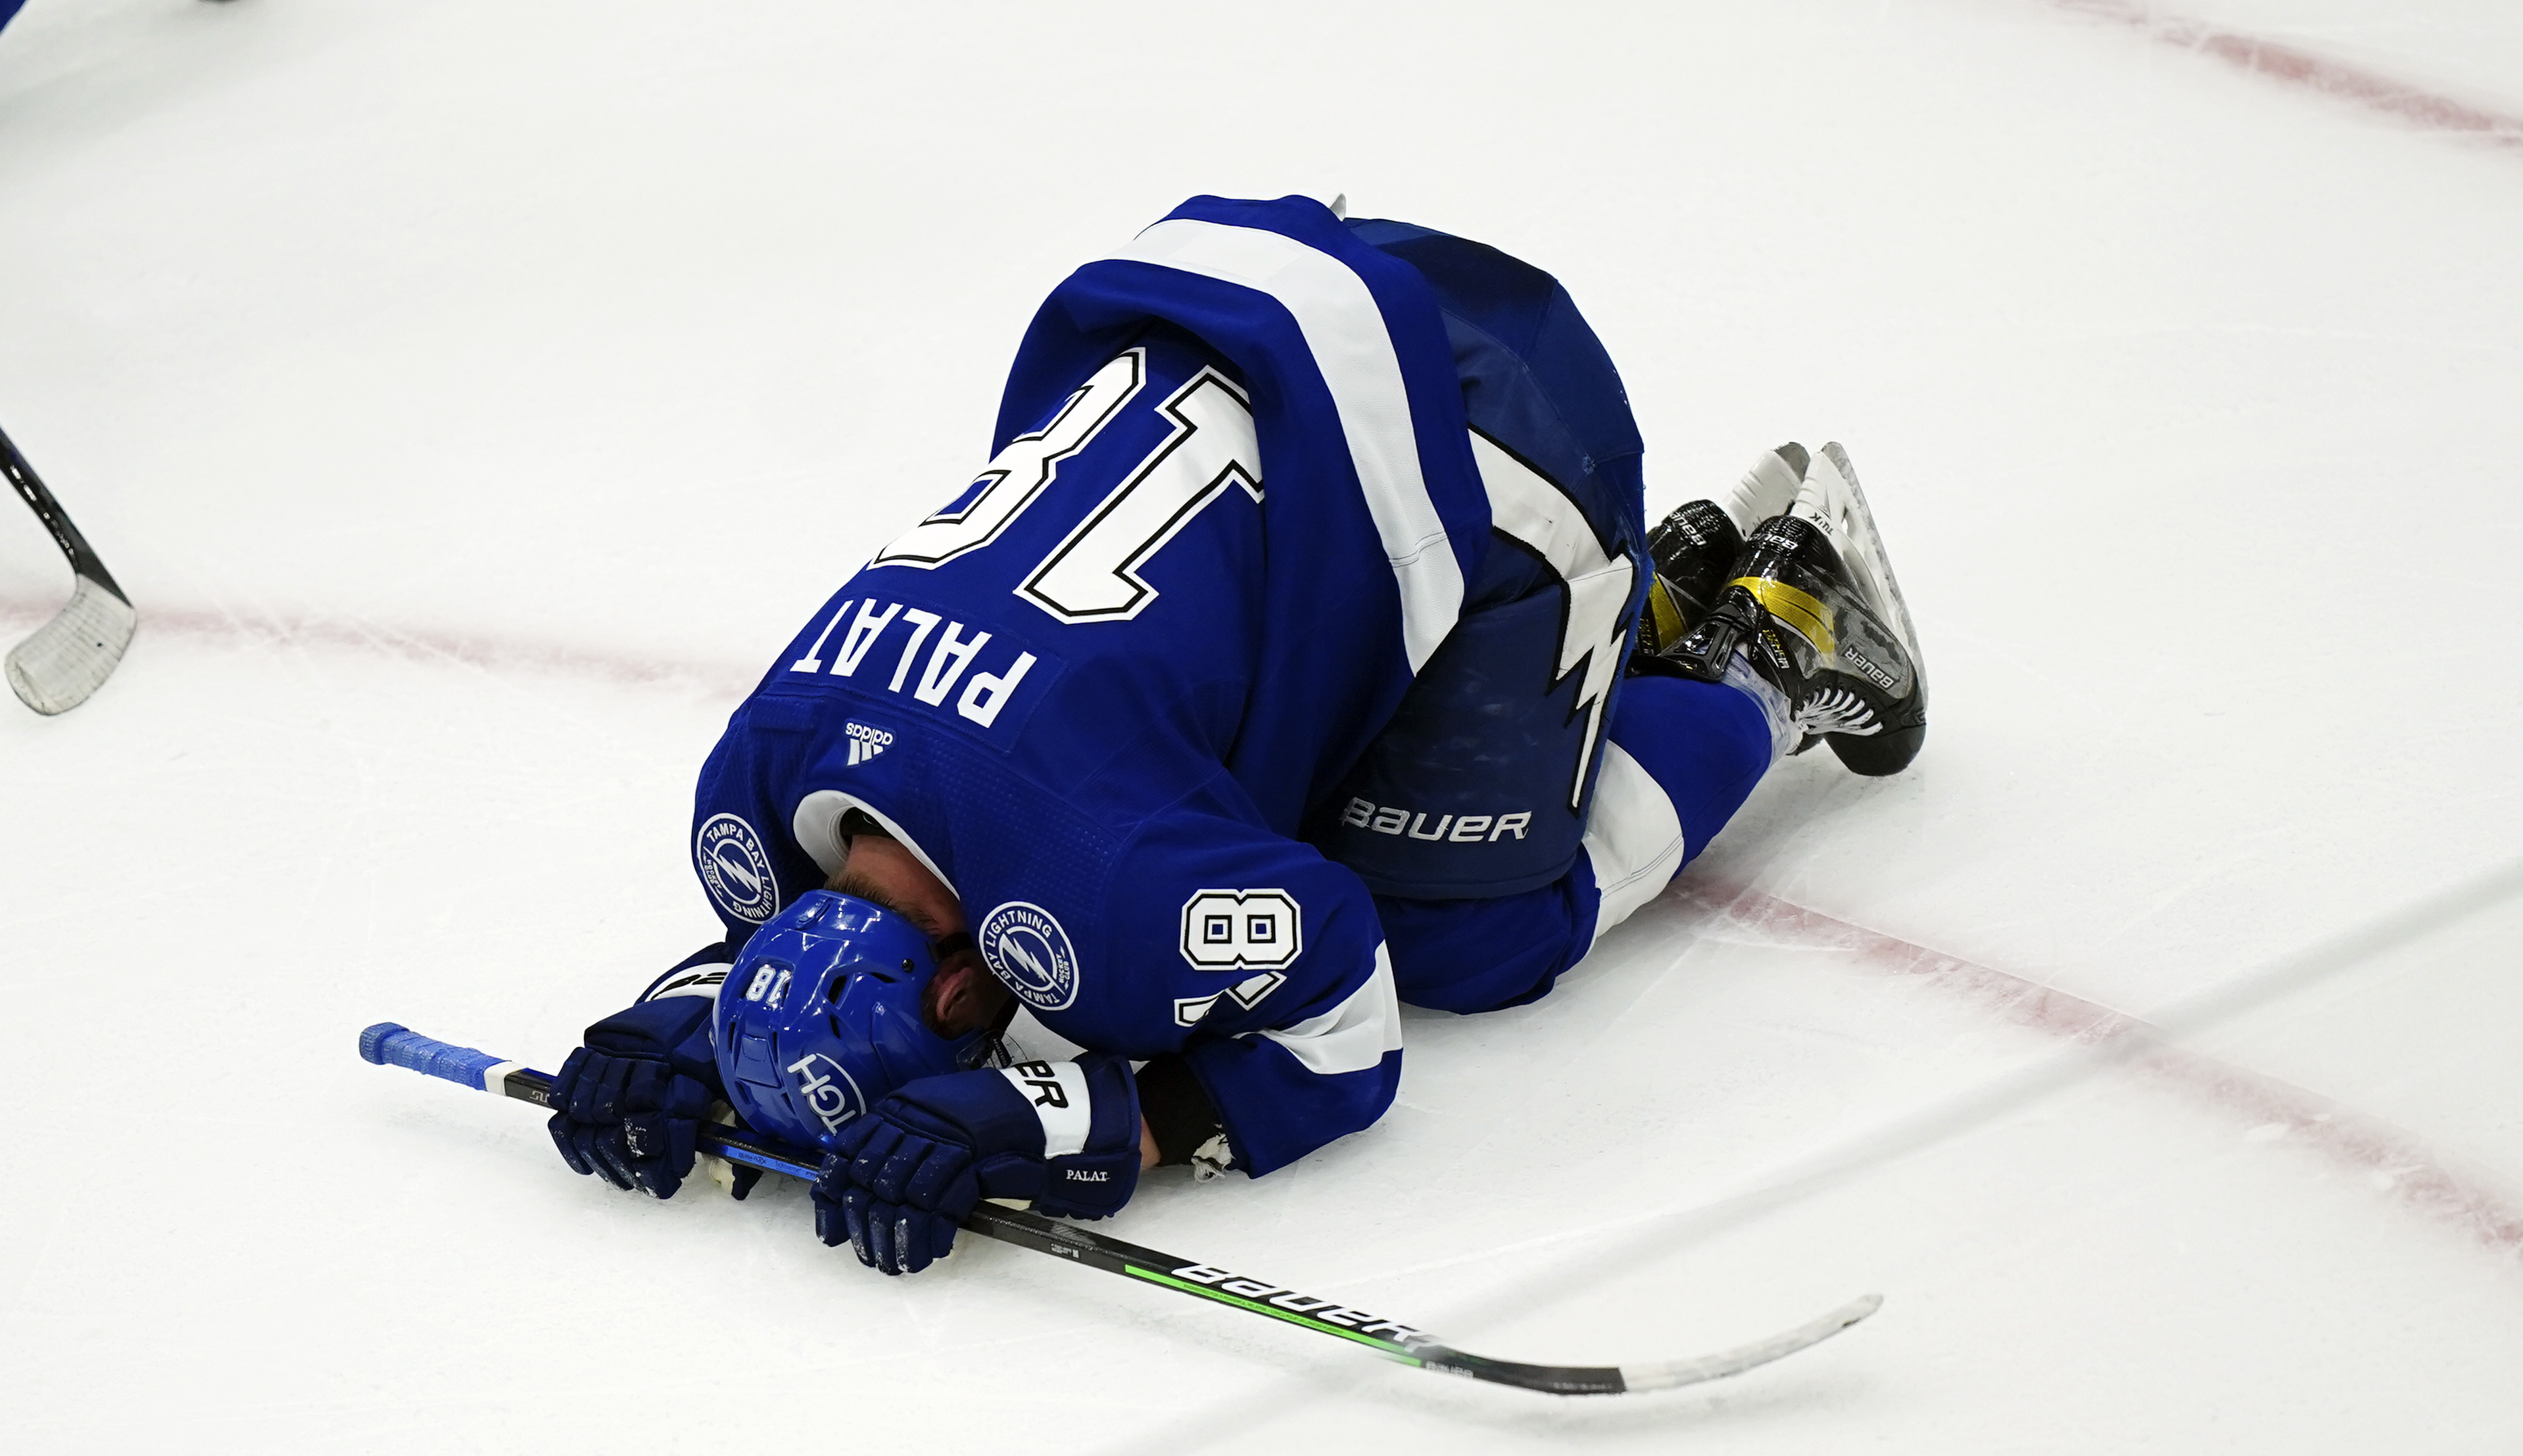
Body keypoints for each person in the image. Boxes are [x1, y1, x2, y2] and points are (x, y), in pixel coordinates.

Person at [543, 195, 1928, 1275]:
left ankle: (1775, 642)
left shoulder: (1099, 885)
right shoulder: (759, 775)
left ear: (971, 996)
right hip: (1222, 320)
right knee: (1260, 804)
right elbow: (778, 932)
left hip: (1478, 420)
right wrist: (684, 1025)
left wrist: (1087, 1125)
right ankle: (1650, 599)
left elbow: (1344, 1012)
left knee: (1459, 937)